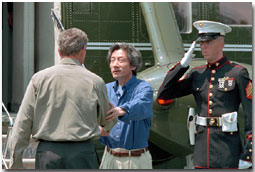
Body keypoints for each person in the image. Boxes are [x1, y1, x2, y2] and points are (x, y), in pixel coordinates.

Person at [9, 28, 116, 169]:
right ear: (83, 50)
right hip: (83, 154)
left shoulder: (39, 79)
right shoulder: (95, 81)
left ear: (59, 51)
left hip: (48, 154)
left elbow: (22, 123)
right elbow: (107, 121)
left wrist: (15, 162)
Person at [157, 20, 252, 169]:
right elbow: (164, 94)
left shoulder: (237, 73)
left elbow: (250, 115)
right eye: (201, 42)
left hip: (227, 152)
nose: (203, 46)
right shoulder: (197, 74)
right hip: (202, 153)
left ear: (221, 43)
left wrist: (249, 154)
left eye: (208, 42)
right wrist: (182, 65)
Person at [99, 43, 154, 169]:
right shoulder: (106, 89)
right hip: (108, 157)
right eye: (112, 60)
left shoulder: (144, 88)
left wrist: (122, 110)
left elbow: (141, 106)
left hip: (135, 161)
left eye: (120, 60)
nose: (114, 64)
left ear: (133, 65)